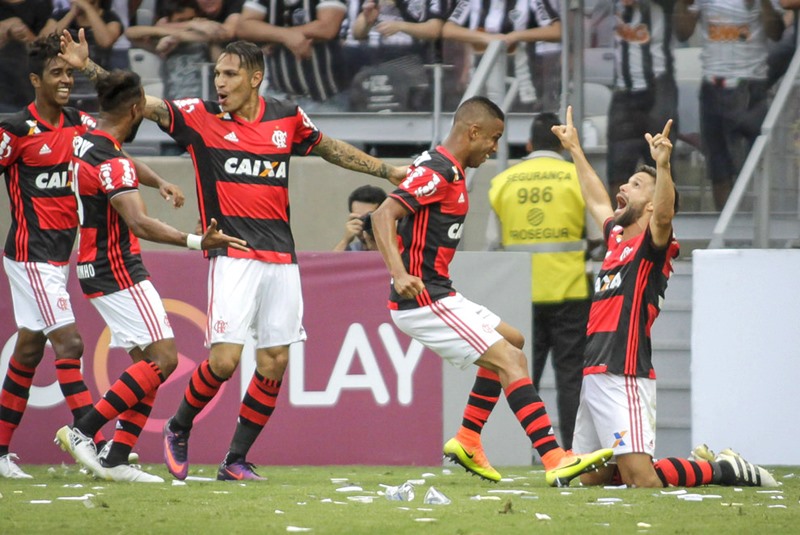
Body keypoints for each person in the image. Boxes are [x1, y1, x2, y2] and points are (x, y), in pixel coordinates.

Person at [60, 32, 407, 481]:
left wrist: (388, 169)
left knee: (274, 362)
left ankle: (234, 460)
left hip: (282, 257)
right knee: (224, 361)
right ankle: (179, 428)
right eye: (218, 73)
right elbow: (135, 102)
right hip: (234, 255)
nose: (219, 82)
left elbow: (330, 148)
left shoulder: (286, 117)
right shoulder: (199, 117)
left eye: (229, 74)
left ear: (255, 78)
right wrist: (89, 69)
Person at [369, 96, 613, 487]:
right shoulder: (437, 171)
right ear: (474, 132)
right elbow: (383, 214)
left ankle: (467, 439)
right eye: (494, 138)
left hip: (440, 293)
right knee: (512, 362)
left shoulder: (446, 170)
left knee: (513, 341)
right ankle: (554, 458)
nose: (496, 149)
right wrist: (399, 274)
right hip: (424, 299)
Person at [551, 106, 777, 488]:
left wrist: (664, 166)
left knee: (643, 480)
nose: (622, 188)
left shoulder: (653, 246)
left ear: (655, 203)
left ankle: (725, 470)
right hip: (593, 373)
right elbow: (595, 200)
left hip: (624, 372)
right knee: (590, 480)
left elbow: (664, 217)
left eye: (636, 185)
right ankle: (703, 464)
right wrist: (575, 149)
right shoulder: (616, 239)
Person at [0, 33, 182, 479]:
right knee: (71, 345)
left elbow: (113, 153)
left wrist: (158, 181)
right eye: (57, 73)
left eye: (68, 73)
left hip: (65, 255)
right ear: (34, 80)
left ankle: (1, 451)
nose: (65, 80)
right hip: (31, 254)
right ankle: (94, 443)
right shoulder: (14, 131)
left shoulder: (81, 126)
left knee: (27, 349)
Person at [54, 68, 247, 483]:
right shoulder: (113, 162)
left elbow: (121, 164)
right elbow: (139, 224)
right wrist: (196, 241)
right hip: (119, 268)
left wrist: (158, 179)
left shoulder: (85, 141)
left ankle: (117, 457)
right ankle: (83, 430)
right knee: (164, 359)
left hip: (91, 267)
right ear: (138, 108)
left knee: (147, 366)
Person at [484, 112, 598, 452]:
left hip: (520, 295)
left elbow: (493, 243)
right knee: (570, 379)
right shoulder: (575, 177)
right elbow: (597, 236)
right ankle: (572, 451)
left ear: (529, 145)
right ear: (561, 147)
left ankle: (516, 452)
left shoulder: (504, 182)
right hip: (571, 291)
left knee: (517, 376)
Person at [675, 0, 785, 210]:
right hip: (712, 86)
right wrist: (682, 4)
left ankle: (754, 232)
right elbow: (682, 33)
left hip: (749, 87)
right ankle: (725, 235)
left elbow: (776, 33)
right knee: (719, 171)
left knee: (754, 169)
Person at [604, 0, 679, 197]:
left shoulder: (662, 7)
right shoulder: (615, 7)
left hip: (658, 91)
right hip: (624, 93)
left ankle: (662, 225)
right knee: (617, 170)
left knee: (661, 166)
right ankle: (619, 225)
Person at [442, 0, 563, 112]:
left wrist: (516, 36)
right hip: (479, 78)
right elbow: (448, 29)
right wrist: (488, 39)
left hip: (519, 82)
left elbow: (556, 31)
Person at [237, 0, 349, 107]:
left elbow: (327, 27)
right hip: (277, 98)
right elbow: (243, 27)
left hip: (326, 99)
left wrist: (272, 35)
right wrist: (285, 36)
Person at [0, 0, 53, 112]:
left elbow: (45, 52)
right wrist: (4, 28)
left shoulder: (40, 5)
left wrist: (25, 34)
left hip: (27, 88)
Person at [333, 184, 387, 251]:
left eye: (368, 218)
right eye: (359, 218)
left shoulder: (399, 247)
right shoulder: (352, 249)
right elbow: (332, 261)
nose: (363, 223)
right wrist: (345, 241)